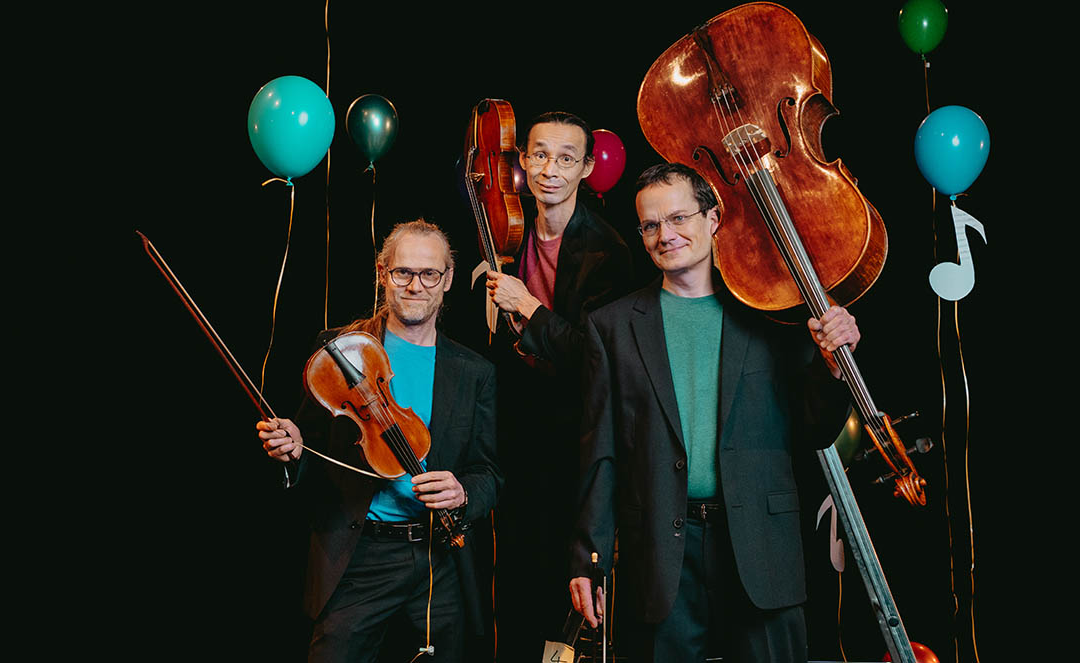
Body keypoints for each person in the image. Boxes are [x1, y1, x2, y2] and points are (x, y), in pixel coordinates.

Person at [568, 163, 860, 663]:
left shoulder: (772, 313)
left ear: (713, 218)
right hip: (660, 552)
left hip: (760, 547)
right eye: (651, 225)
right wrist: (587, 559)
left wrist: (834, 368)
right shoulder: (611, 327)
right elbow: (601, 454)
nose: (665, 235)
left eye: (678, 218)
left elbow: (813, 429)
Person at [257, 219, 502, 663]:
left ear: (448, 279)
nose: (415, 286)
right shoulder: (339, 351)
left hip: (438, 557)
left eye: (429, 274)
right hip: (360, 552)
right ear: (382, 273)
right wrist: (291, 449)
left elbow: (488, 472)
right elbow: (307, 448)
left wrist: (463, 492)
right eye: (403, 272)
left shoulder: (474, 372)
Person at [483, 111, 633, 659]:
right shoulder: (507, 228)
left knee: (560, 578)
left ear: (587, 168)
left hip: (571, 437)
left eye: (566, 158)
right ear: (522, 160)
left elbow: (594, 362)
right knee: (511, 571)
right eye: (540, 155)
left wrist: (527, 306)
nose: (550, 169)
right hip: (514, 426)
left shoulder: (608, 251)